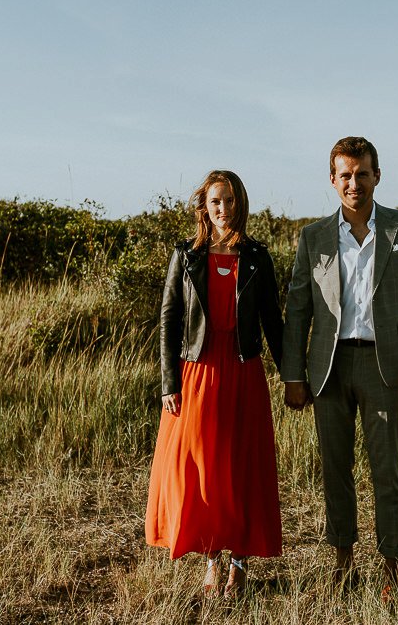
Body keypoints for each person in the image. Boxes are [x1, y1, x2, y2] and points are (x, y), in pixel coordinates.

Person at [282, 137, 398, 593]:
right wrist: (293, 375)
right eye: (345, 175)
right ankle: (343, 560)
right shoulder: (313, 237)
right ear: (333, 180)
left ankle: (391, 565)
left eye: (362, 173)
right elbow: (298, 309)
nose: (355, 183)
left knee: (387, 469)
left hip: (385, 365)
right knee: (336, 469)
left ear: (377, 176)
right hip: (329, 368)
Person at [145, 170, 284, 598]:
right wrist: (169, 382)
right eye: (215, 202)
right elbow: (169, 320)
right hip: (197, 372)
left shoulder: (258, 256)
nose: (223, 209)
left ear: (240, 203)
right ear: (205, 208)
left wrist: (293, 377)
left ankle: (238, 563)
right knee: (202, 471)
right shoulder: (185, 255)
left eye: (229, 201)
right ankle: (210, 558)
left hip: (243, 372)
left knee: (240, 469)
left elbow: (273, 324)